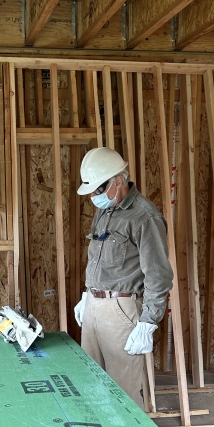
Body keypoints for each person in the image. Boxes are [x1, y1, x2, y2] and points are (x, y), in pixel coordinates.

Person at [73, 148, 173, 409]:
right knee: (91, 382)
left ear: (118, 180)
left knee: (123, 391)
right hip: (95, 305)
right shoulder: (105, 210)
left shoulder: (145, 217)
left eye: (98, 189)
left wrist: (148, 321)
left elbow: (158, 274)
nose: (94, 196)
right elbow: (97, 256)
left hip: (121, 309)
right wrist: (87, 294)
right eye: (92, 190)